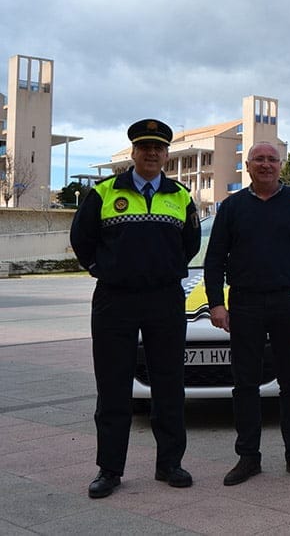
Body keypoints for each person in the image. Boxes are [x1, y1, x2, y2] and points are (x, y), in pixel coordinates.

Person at [70, 118, 200, 499]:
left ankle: (170, 464)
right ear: (134, 152)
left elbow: (190, 243)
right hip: (115, 300)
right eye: (144, 147)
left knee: (169, 385)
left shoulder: (180, 196)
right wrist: (105, 269)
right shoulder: (105, 192)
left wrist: (163, 270)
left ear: (166, 154)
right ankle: (109, 470)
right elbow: (81, 239)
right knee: (113, 387)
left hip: (164, 299)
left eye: (158, 148)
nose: (151, 153)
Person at [205, 141, 290, 486]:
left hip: (286, 303)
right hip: (245, 304)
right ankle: (248, 457)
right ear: (247, 165)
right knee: (245, 384)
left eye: (272, 159)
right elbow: (215, 259)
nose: (266, 164)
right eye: (259, 159)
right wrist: (216, 303)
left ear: (280, 165)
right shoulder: (232, 207)